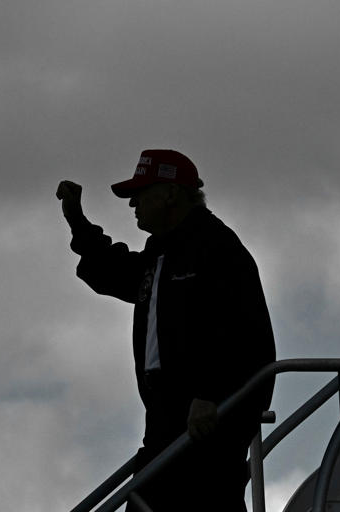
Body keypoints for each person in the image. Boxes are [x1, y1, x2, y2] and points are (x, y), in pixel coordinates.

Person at [57, 149, 276, 511]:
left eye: (141, 193)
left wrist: (211, 395)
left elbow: (244, 333)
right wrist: (77, 221)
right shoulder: (160, 255)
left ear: (171, 193)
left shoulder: (217, 248)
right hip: (165, 422)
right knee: (146, 498)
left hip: (209, 425)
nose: (133, 204)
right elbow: (114, 270)